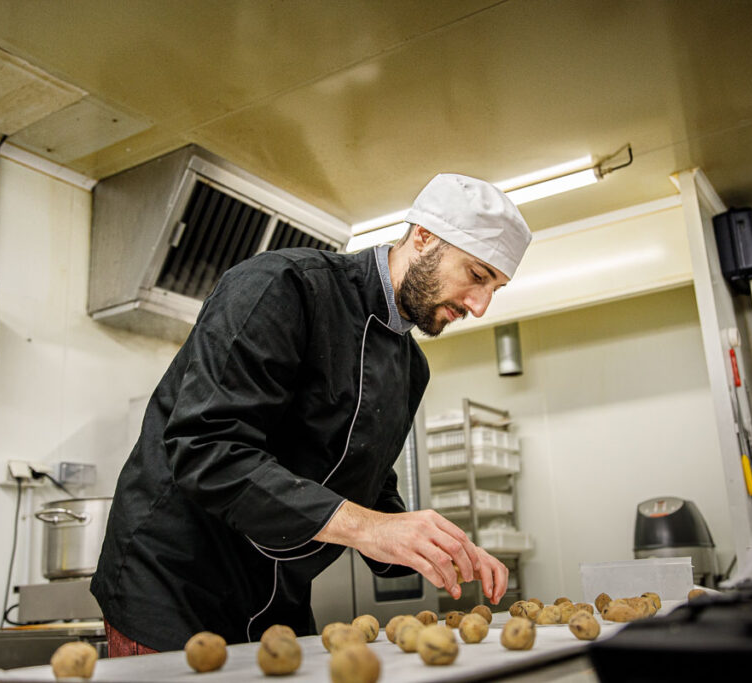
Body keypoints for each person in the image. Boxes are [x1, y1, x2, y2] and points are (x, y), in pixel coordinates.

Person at [90, 173, 533, 654]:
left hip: (280, 599)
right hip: (175, 584)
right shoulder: (284, 286)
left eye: (496, 288)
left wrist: (440, 548)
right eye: (477, 275)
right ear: (424, 236)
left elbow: (368, 484)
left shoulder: (411, 368)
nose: (480, 306)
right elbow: (207, 450)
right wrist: (370, 529)